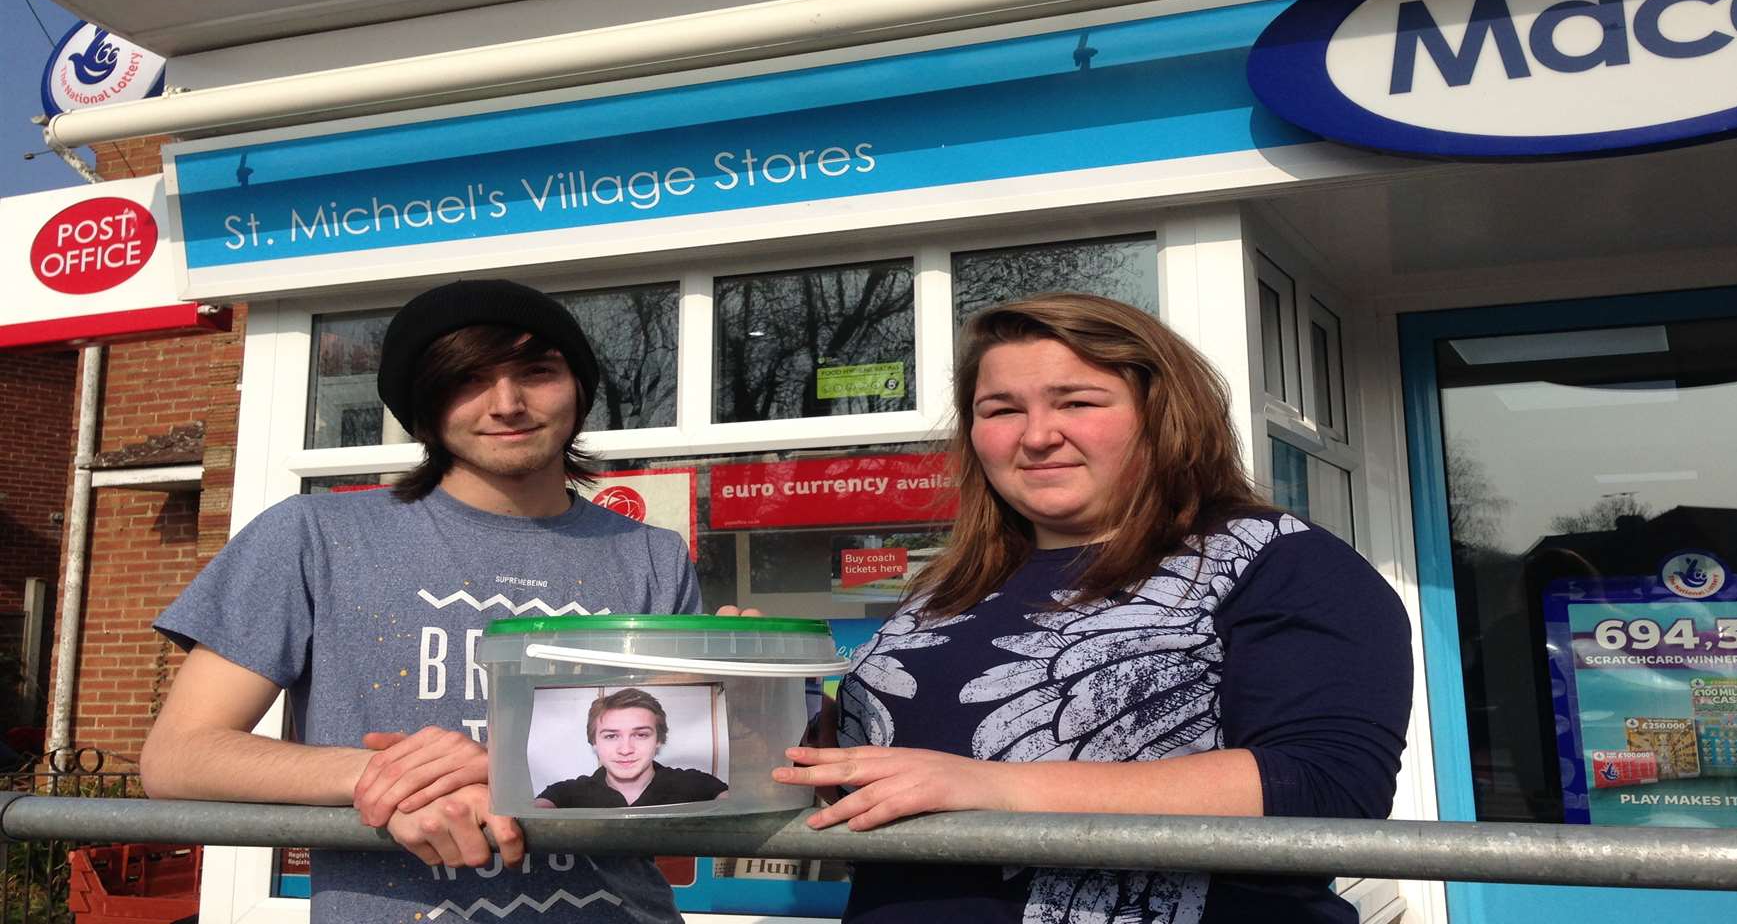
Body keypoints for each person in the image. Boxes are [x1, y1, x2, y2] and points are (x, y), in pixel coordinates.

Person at [777, 293, 1414, 924]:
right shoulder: (946, 588)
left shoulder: (1275, 561)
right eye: (1001, 410)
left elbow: (1327, 786)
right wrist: (773, 705)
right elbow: (892, 781)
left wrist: (997, 788)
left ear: (1164, 415)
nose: (1036, 436)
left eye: (1076, 402)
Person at [141, 279, 703, 924]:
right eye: (467, 379)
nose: (508, 403)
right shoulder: (313, 536)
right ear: (424, 404)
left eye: (538, 372)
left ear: (577, 387)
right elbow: (178, 756)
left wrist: (754, 694)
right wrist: (384, 775)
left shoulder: (653, 556)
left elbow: (679, 772)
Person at [536, 687, 729, 808]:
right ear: (594, 742)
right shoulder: (567, 794)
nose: (626, 749)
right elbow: (527, 818)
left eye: (640, 735)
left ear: (659, 739)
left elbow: (739, 809)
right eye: (611, 736)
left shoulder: (695, 785)